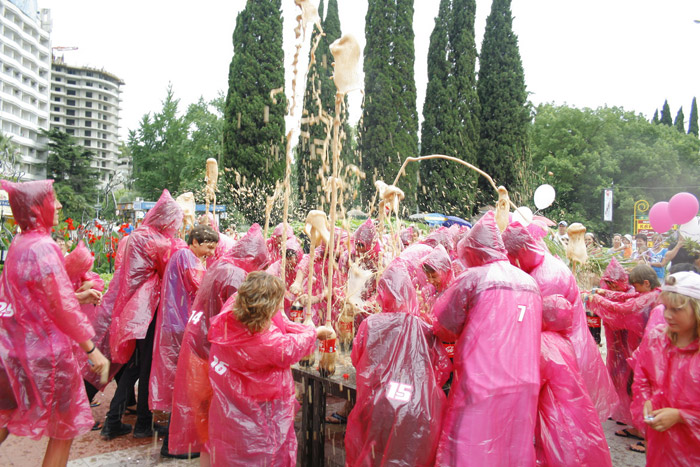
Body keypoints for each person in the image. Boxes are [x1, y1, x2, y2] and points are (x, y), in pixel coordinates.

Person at [0, 179, 109, 466]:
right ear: (37, 209)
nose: (59, 205)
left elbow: (37, 299)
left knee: (4, 418)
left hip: (13, 351)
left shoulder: (18, 244)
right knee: (64, 429)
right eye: (53, 200)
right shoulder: (45, 246)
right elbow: (61, 306)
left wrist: (79, 296)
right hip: (48, 356)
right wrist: (91, 349)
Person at [432, 211, 542, 466]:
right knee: (511, 447)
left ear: (473, 251)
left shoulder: (474, 278)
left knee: (469, 447)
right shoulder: (530, 283)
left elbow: (443, 323)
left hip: (480, 383)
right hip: (524, 383)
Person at [206, 272, 332, 466]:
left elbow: (282, 325)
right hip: (262, 402)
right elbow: (288, 348)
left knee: (237, 446)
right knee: (266, 448)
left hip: (234, 400)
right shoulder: (267, 342)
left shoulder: (234, 312)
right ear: (268, 306)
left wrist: (306, 329)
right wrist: (316, 333)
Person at [345, 259, 451, 466]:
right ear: (410, 293)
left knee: (375, 454)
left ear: (382, 293)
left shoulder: (370, 324)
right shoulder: (425, 328)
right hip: (418, 407)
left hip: (377, 403)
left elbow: (358, 360)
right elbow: (443, 367)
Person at [102, 189, 183, 440]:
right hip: (150, 310)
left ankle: (114, 420)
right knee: (149, 366)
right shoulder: (159, 241)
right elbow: (170, 269)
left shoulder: (134, 236)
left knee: (133, 367)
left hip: (132, 310)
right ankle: (145, 423)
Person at [150, 225, 218, 458]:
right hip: (181, 328)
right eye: (208, 247)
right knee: (184, 386)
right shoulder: (187, 257)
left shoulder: (184, 256)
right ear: (195, 241)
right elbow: (204, 288)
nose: (210, 252)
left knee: (178, 384)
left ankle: (175, 440)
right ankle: (173, 444)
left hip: (177, 324)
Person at [587, 264, 661, 448]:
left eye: (636, 286)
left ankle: (648, 436)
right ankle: (640, 428)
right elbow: (626, 297)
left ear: (646, 283)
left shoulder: (652, 296)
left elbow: (626, 308)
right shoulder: (647, 293)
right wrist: (603, 294)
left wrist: (597, 299)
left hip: (648, 350)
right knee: (636, 386)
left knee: (644, 388)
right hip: (640, 347)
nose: (633, 290)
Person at [631, 272, 700, 465]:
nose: (667, 315)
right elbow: (641, 377)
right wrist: (645, 402)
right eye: (665, 307)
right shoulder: (656, 339)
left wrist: (681, 416)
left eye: (676, 309)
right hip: (660, 442)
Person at [535, 295, 612, 466]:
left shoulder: (542, 343)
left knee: (559, 451)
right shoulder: (565, 341)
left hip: (554, 408)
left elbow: (535, 380)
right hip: (578, 406)